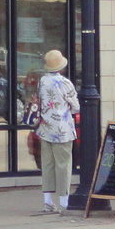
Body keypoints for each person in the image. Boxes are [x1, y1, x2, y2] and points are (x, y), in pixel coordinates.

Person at [35, 49, 79, 214]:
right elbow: (76, 107)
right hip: (63, 129)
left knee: (47, 164)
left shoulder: (42, 81)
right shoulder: (65, 83)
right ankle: (64, 202)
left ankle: (47, 202)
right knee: (63, 165)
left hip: (45, 127)